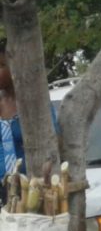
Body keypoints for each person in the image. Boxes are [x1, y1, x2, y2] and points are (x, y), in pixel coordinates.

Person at [0, 43, 58, 206]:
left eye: (2, 65)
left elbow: (54, 143)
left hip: (31, 188)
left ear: (16, 67)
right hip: (3, 189)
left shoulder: (35, 104)